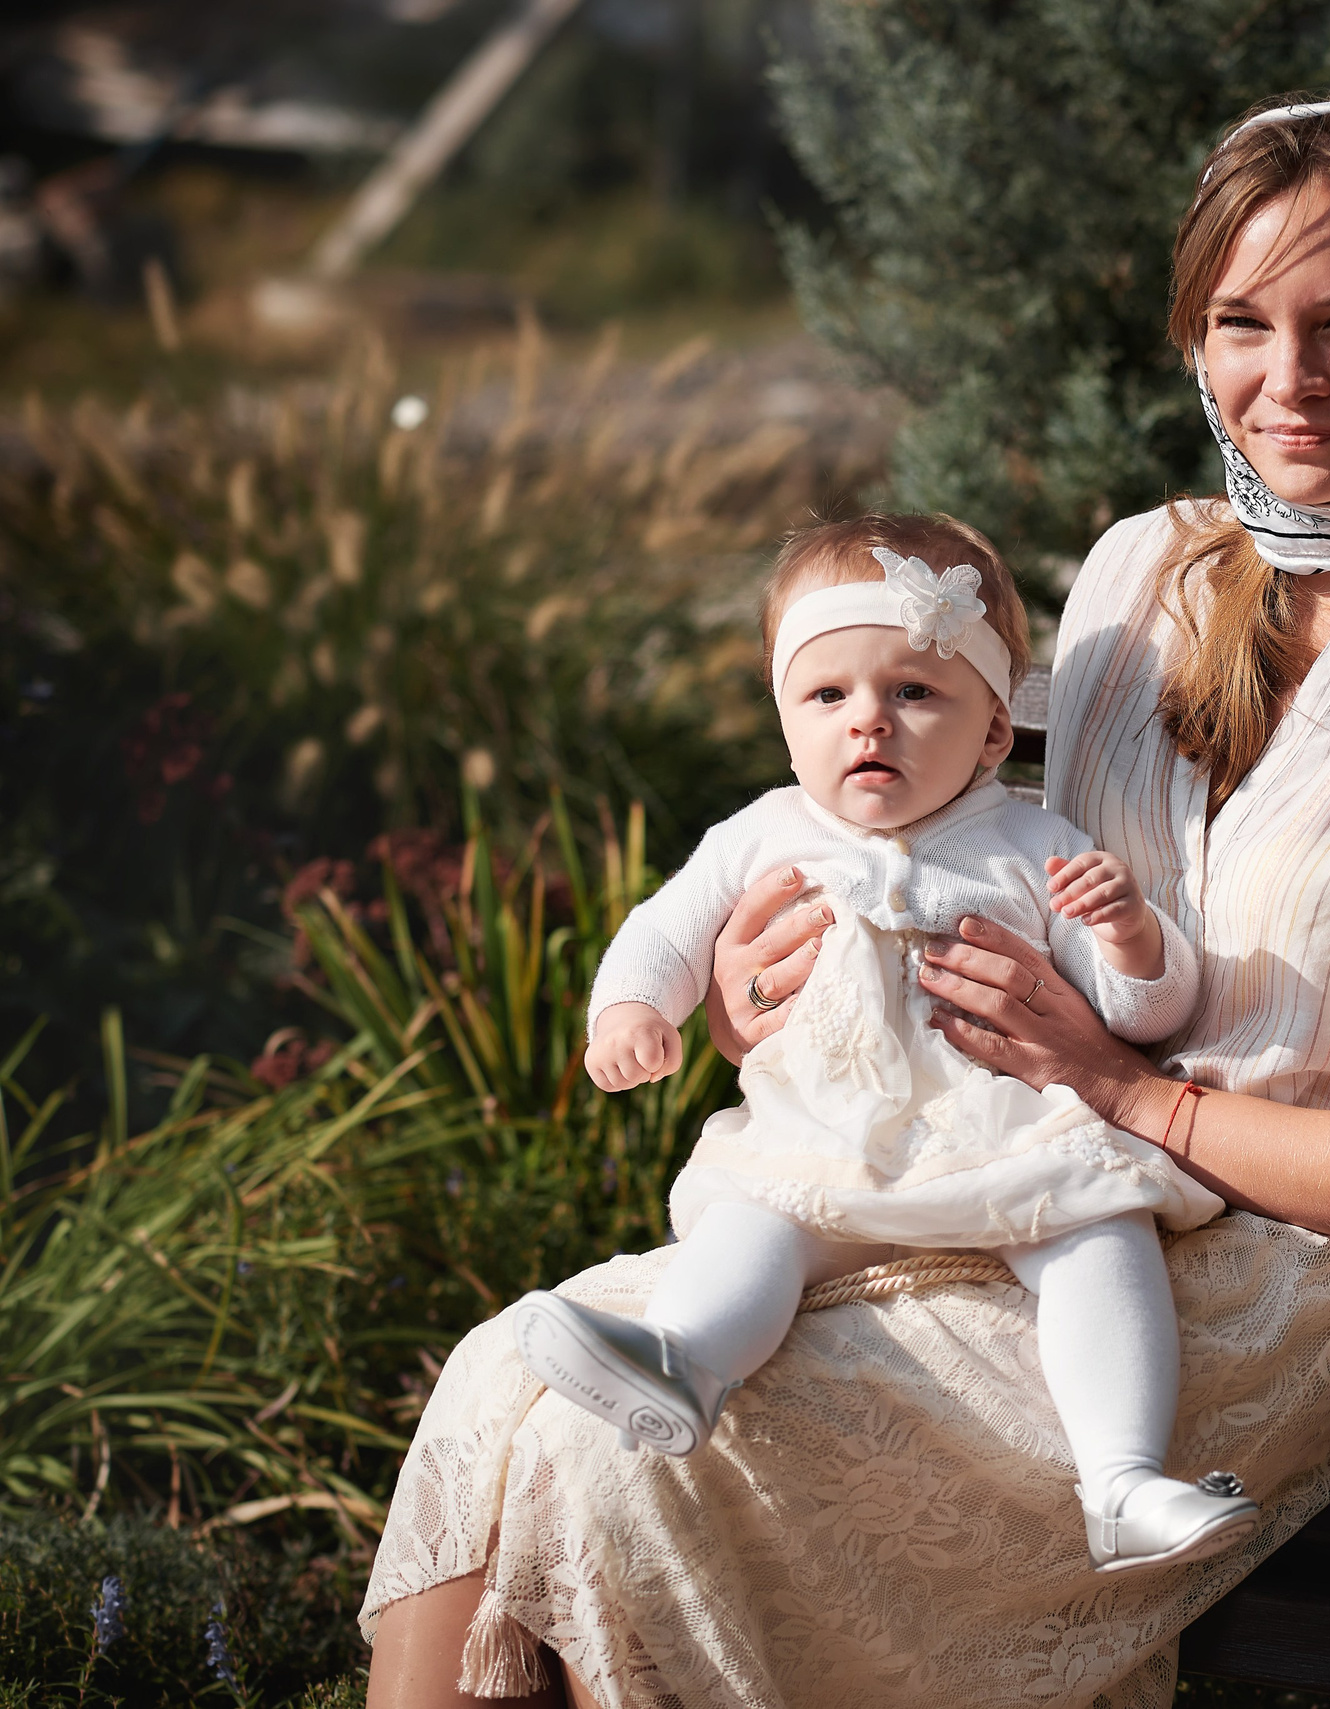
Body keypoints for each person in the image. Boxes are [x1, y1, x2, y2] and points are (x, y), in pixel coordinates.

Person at [361, 98, 1330, 1709]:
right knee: (508, 1384)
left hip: (1273, 1286)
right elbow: (944, 831)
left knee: (626, 1472)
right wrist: (782, 986)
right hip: (981, 1179)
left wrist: (1131, 1095)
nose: (1290, 382)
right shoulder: (1142, 575)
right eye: (1243, 323)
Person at [509, 511, 1257, 1576]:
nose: (870, 722)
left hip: (1004, 1144)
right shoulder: (764, 831)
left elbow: (1140, 1013)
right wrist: (631, 1008)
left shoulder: (1033, 842)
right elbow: (664, 930)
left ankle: (1124, 1478)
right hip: (818, 1148)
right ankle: (682, 1366)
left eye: (914, 692)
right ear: (785, 722)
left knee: (1103, 1237)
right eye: (829, 695)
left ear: (994, 732)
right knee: (745, 1234)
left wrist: (1131, 934)